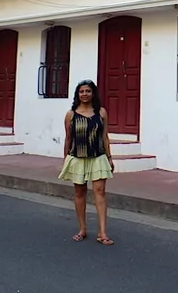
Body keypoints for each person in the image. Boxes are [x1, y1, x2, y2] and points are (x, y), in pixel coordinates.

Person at [58, 79, 116, 244]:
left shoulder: (101, 112)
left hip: (98, 157)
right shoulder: (71, 114)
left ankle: (102, 233)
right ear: (78, 94)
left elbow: (104, 136)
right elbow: (68, 138)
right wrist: (66, 160)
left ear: (93, 93)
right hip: (77, 158)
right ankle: (82, 229)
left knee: (100, 193)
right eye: (82, 91)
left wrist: (110, 157)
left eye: (88, 91)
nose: (85, 94)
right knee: (79, 193)